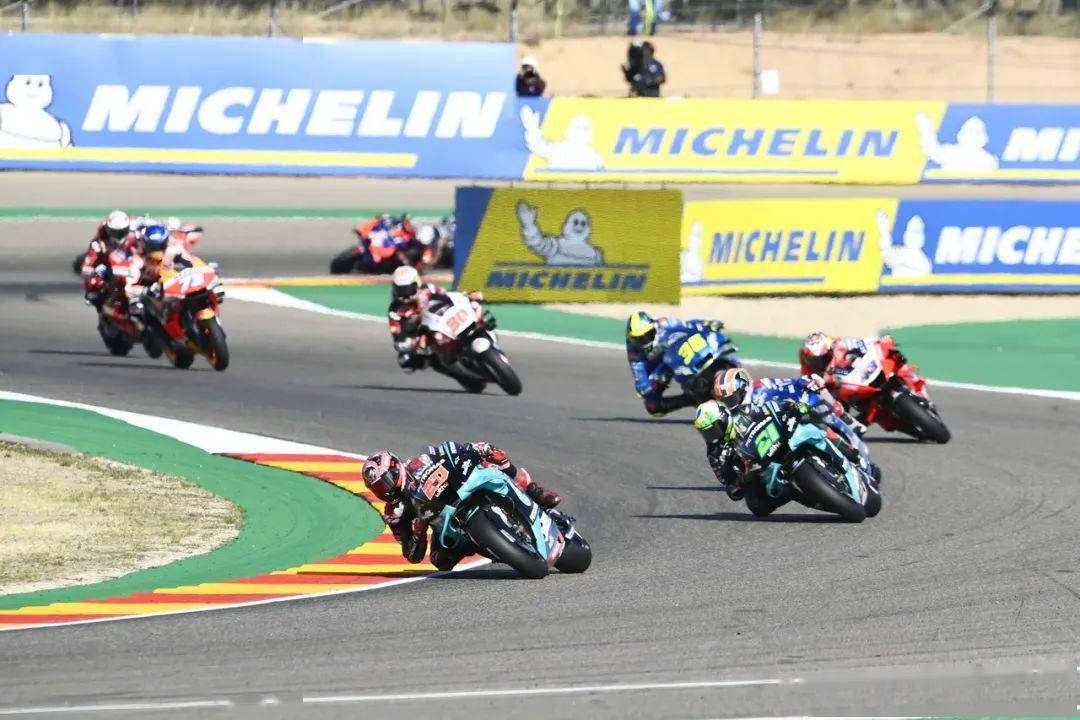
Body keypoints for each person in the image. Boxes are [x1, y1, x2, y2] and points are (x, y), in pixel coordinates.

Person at [361, 442, 562, 571]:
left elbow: (449, 449)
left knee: (492, 455)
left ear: (396, 468)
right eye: (378, 488)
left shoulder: (419, 463)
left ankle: (534, 489)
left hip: (463, 486)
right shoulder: (395, 513)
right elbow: (412, 555)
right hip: (446, 524)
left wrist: (474, 449)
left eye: (386, 481)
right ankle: (489, 544)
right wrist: (418, 532)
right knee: (440, 561)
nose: (385, 490)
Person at [694, 368, 810, 517]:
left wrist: (793, 406)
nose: (712, 436)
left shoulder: (750, 405)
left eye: (713, 429)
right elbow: (732, 491)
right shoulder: (715, 454)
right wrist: (742, 479)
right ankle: (797, 491)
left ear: (724, 419)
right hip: (760, 470)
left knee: (811, 418)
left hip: (780, 440)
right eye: (707, 433)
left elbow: (778, 404)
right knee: (756, 506)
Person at [625, 310, 728, 416]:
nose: (644, 340)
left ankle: (724, 368)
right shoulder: (634, 352)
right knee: (653, 406)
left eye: (647, 335)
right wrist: (657, 381)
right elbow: (642, 387)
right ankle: (691, 399)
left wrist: (707, 324)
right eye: (638, 339)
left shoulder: (664, 323)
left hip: (680, 353)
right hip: (661, 367)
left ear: (653, 328)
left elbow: (688, 325)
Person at [387, 267, 486, 373]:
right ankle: (445, 365)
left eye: (408, 288)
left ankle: (482, 327)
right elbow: (397, 334)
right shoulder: (395, 310)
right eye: (400, 290)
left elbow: (447, 295)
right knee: (405, 361)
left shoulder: (427, 289)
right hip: (421, 335)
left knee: (474, 305)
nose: (405, 293)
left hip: (440, 321)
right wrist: (408, 341)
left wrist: (466, 296)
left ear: (417, 283)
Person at [81, 210, 135, 310]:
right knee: (97, 277)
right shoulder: (98, 243)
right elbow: (86, 267)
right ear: (108, 230)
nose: (119, 235)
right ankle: (92, 292)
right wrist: (95, 271)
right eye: (115, 232)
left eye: (122, 232)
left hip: (132, 266)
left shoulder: (135, 234)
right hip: (110, 268)